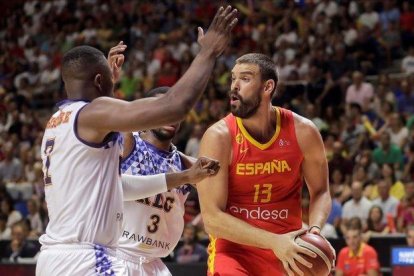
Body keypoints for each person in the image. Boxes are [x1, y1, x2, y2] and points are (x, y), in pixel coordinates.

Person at [36, 6, 238, 276]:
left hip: (62, 255)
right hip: (88, 258)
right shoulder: (92, 115)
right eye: (109, 80)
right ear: (99, 80)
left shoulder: (58, 121)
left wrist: (183, 177)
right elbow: (174, 105)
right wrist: (208, 52)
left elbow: (120, 186)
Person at [197, 53, 332, 276]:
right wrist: (273, 241)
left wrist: (315, 231)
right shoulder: (219, 137)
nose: (234, 86)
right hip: (234, 252)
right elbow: (212, 219)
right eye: (233, 79)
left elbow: (321, 191)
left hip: (288, 251)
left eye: (245, 79)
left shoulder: (303, 131)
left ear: (268, 86)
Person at [116, 86, 216, 275]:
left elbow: (225, 176)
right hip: (119, 257)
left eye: (175, 110)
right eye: (164, 109)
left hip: (155, 264)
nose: (171, 116)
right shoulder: (129, 142)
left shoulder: (183, 162)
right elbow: (115, 115)